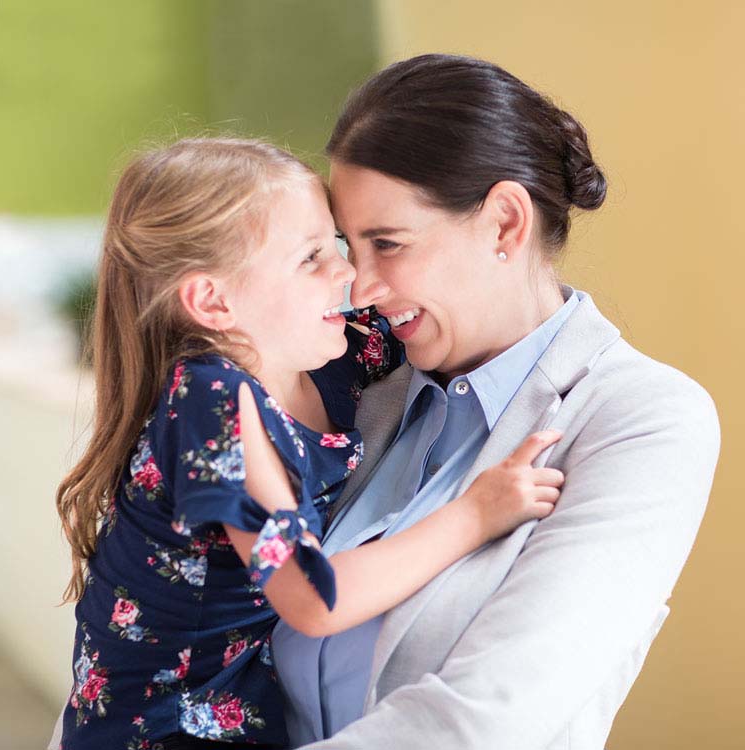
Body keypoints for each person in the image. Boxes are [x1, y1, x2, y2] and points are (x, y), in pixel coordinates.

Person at [53, 137, 565, 750]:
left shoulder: (333, 356)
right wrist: (476, 514)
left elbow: (463, 310)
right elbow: (310, 596)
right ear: (213, 301)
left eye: (340, 246)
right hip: (157, 733)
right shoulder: (211, 403)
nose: (349, 272)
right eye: (311, 258)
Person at [270, 54, 721, 749]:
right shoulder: (359, 393)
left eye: (386, 244)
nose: (358, 289)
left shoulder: (642, 421)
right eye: (346, 248)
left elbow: (486, 722)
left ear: (506, 223)